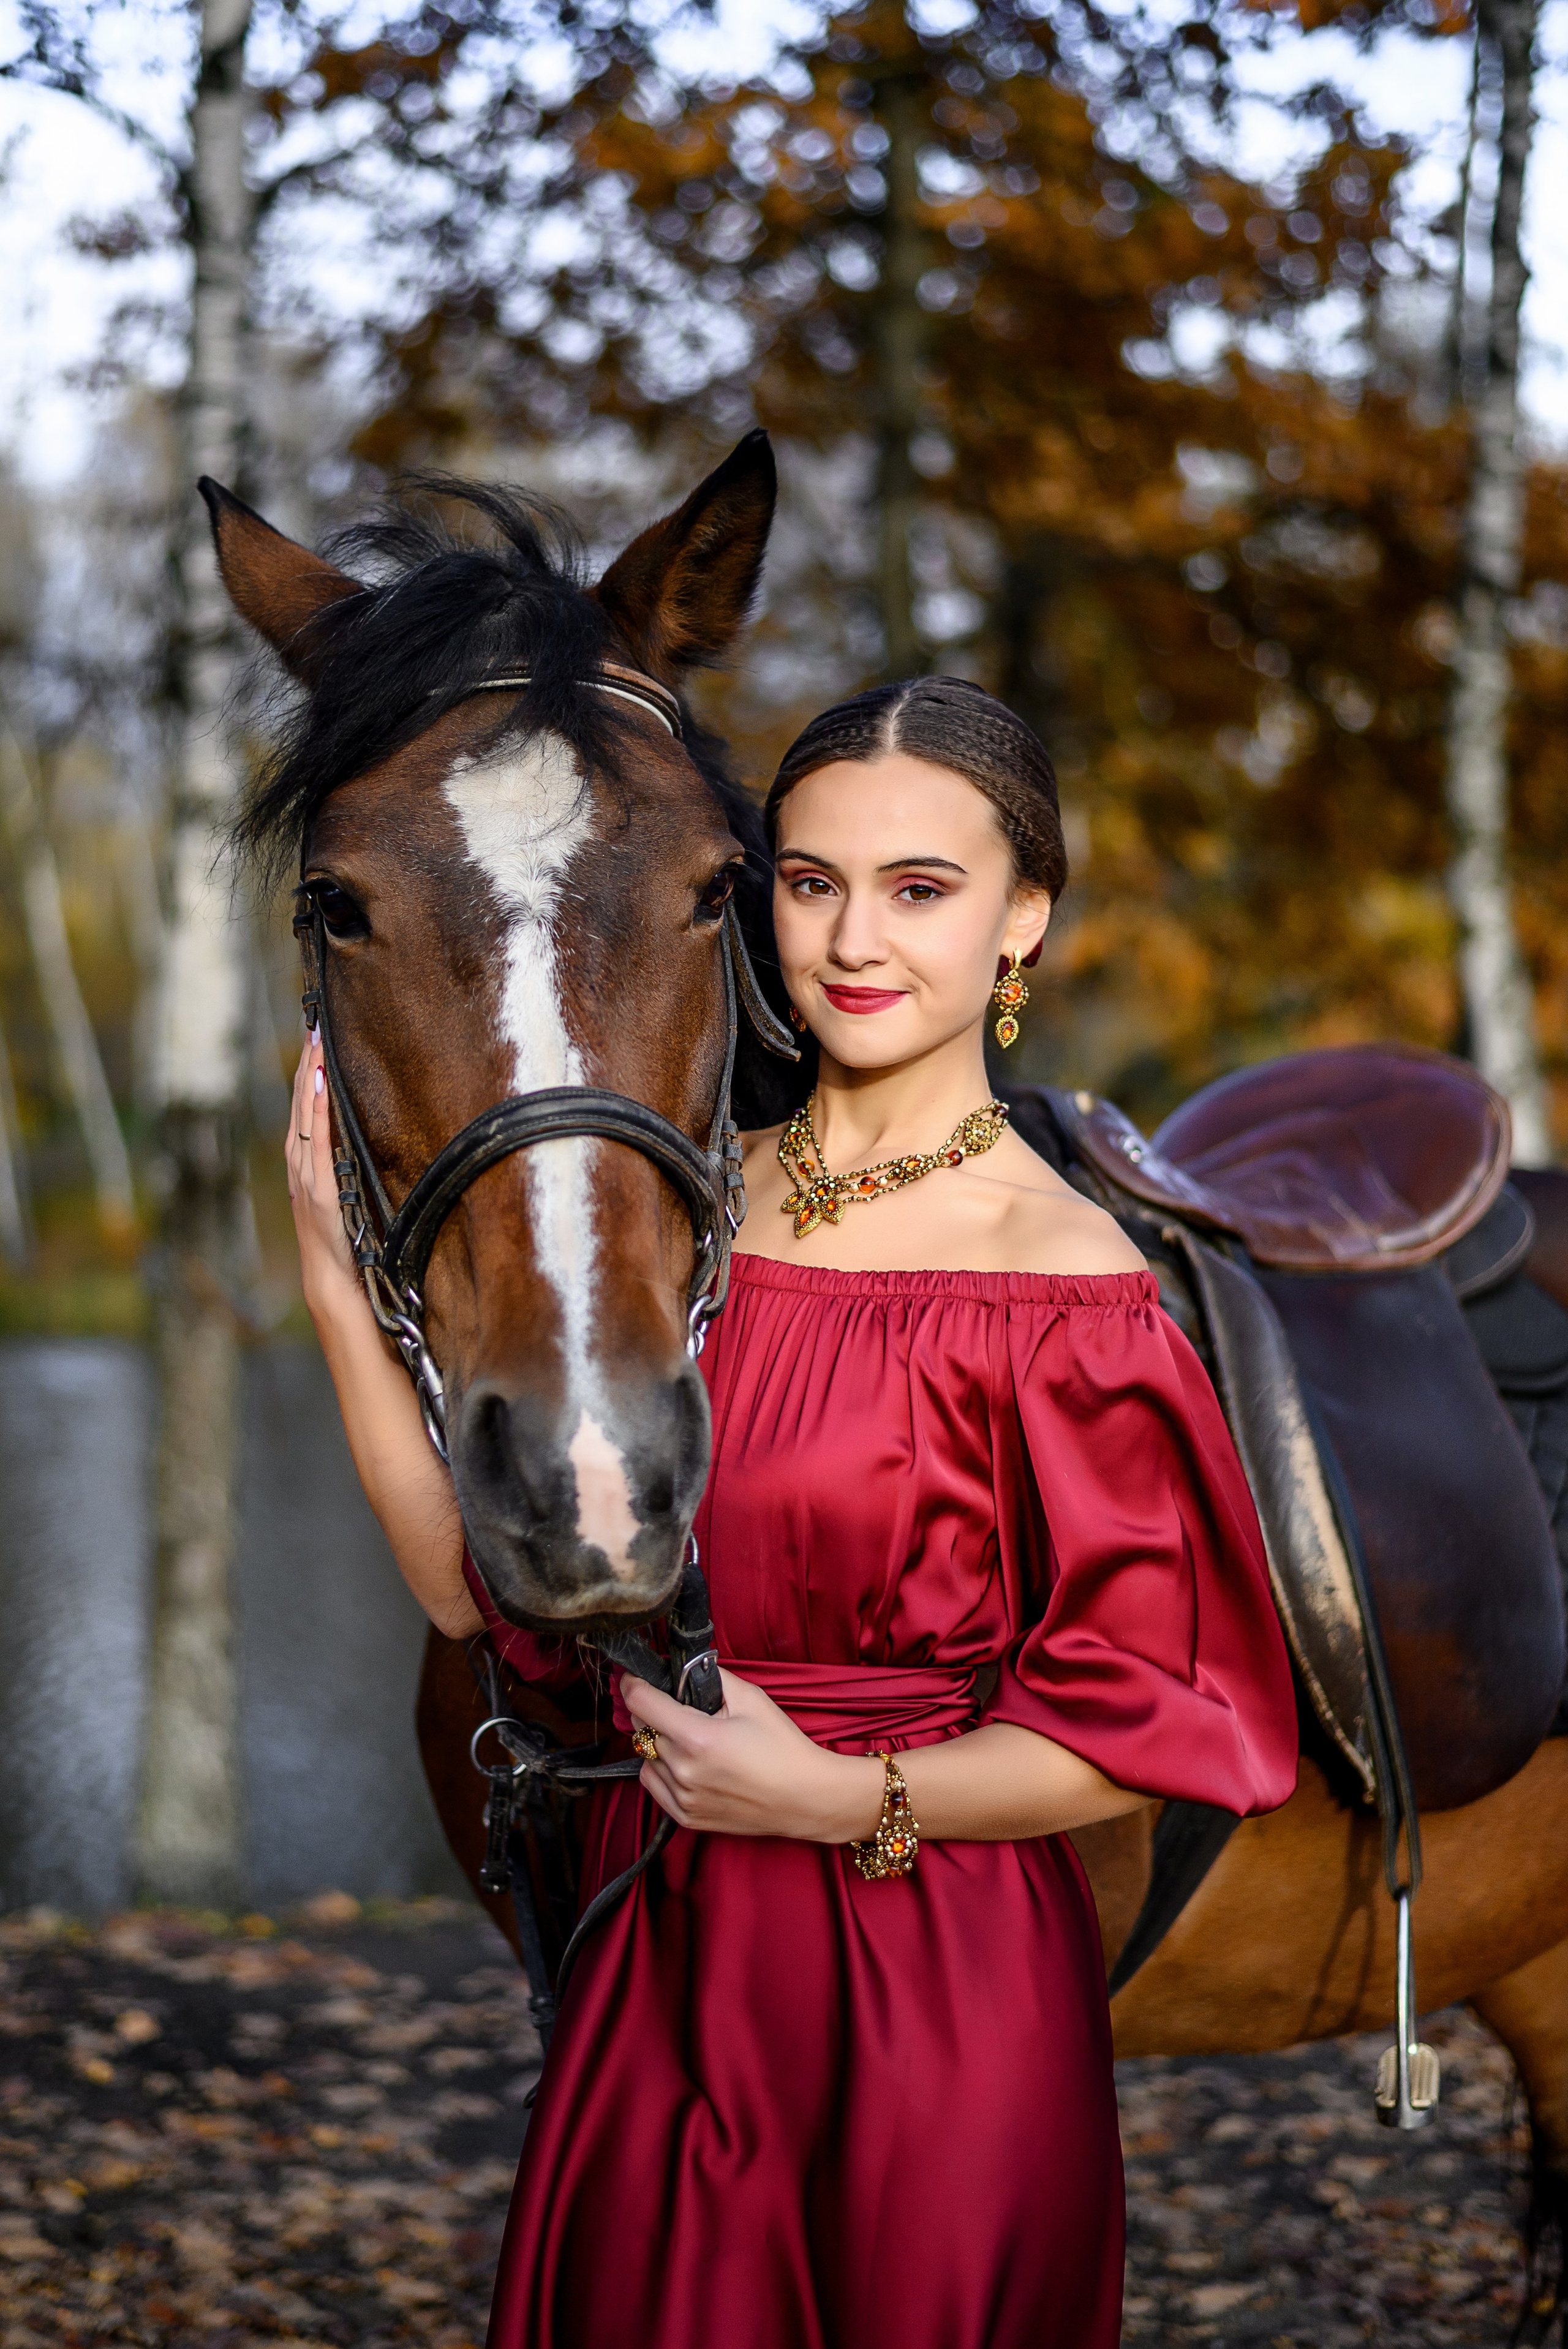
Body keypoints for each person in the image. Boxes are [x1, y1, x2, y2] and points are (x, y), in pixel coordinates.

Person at [286, 674, 1297, 2349]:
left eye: (922, 888)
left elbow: (1154, 1721)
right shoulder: (682, 1222)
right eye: (813, 882)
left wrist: (841, 1797)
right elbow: (481, 1599)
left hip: (936, 1989)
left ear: (1024, 921)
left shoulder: (1065, 1282)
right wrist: (335, 1284)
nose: (853, 941)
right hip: (660, 1963)